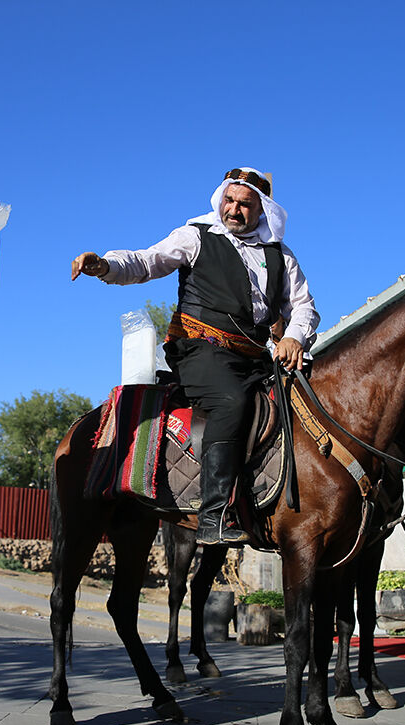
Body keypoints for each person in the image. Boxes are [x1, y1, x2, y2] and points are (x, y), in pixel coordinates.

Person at [72, 168, 319, 546]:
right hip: (199, 348)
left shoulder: (281, 257)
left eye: (245, 205)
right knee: (230, 401)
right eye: (229, 201)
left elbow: (303, 307)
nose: (234, 210)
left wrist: (295, 338)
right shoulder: (197, 237)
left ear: (263, 211)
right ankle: (214, 516)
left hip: (256, 357)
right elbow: (145, 261)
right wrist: (106, 266)